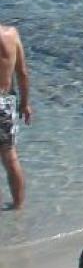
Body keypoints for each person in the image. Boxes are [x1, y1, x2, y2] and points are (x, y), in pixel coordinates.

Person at [1, 22, 32, 210]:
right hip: (5, 101)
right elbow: (22, 72)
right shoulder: (12, 34)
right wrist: (25, 103)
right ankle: (18, 207)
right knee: (10, 156)